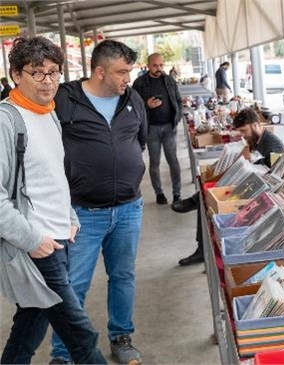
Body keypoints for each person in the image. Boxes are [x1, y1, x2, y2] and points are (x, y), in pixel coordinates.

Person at [0, 36, 107, 365]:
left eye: (54, 72)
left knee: (31, 323)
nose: (48, 82)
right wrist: (33, 240)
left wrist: (70, 218)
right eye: (38, 73)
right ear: (16, 74)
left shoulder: (48, 114)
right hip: (36, 245)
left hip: (59, 238)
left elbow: (49, 177)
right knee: (80, 334)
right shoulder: (7, 120)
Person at [49, 40, 148, 365]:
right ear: (100, 70)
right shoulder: (65, 98)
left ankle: (121, 337)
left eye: (129, 71)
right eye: (121, 72)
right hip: (82, 213)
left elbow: (139, 140)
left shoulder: (132, 98)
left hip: (128, 209)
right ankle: (64, 354)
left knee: (123, 277)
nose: (127, 78)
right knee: (73, 285)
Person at [172, 107, 284, 265]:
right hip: (249, 183)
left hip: (261, 192)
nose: (243, 135)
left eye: (244, 131)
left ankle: (196, 211)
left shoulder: (273, 145)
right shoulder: (254, 141)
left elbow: (271, 176)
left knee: (209, 199)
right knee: (209, 196)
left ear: (255, 125)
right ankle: (201, 245)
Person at [132, 53, 183, 205]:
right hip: (151, 129)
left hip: (169, 127)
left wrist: (177, 117)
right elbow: (132, 106)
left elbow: (178, 101)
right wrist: (146, 104)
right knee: (154, 162)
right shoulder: (139, 83)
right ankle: (159, 193)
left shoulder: (169, 80)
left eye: (161, 65)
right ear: (148, 65)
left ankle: (177, 194)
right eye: (155, 65)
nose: (159, 68)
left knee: (173, 161)